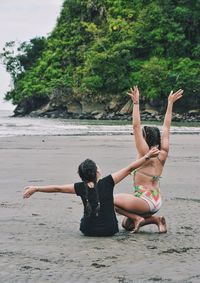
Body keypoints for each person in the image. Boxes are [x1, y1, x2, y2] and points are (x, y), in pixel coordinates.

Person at [23, 147, 159, 237]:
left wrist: (37, 188)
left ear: (81, 176)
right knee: (110, 202)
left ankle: (136, 219)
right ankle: (137, 218)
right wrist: (147, 156)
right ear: (97, 172)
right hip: (109, 231)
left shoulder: (80, 187)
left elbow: (58, 188)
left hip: (87, 230)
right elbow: (129, 168)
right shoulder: (108, 181)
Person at [114, 86, 183, 233]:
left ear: (146, 139)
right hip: (156, 202)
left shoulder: (144, 153)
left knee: (106, 199)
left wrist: (136, 103)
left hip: (145, 202)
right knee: (126, 225)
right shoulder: (162, 153)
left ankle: (138, 218)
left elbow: (136, 126)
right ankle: (156, 220)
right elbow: (166, 127)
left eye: (142, 136)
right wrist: (170, 103)